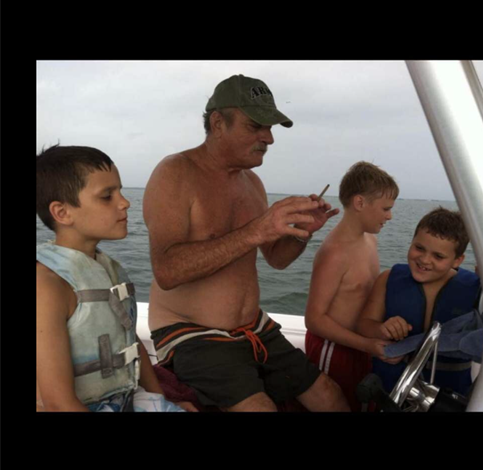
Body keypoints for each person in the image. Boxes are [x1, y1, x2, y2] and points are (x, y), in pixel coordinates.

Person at [144, 73, 351, 412]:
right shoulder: (174, 173)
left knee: (330, 395)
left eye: (270, 128)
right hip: (192, 333)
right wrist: (257, 230)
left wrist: (302, 233)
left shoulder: (252, 183)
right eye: (256, 126)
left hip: (254, 327)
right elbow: (167, 270)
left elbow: (277, 258)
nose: (268, 137)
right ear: (217, 122)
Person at [36, 145, 191, 412]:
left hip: (125, 398)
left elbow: (130, 342)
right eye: (107, 196)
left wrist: (162, 402)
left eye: (119, 190)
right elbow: (59, 403)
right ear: (62, 213)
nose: (125, 202)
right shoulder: (48, 286)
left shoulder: (109, 270)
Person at [305, 161, 401, 411]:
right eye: (385, 209)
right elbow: (314, 319)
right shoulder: (335, 253)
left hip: (360, 346)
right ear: (360, 203)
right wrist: (367, 345)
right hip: (333, 350)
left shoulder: (370, 239)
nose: (390, 216)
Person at [356, 207, 481, 398]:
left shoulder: (476, 289)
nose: (424, 259)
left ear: (458, 260)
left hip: (449, 395)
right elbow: (364, 325)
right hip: (390, 390)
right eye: (419, 248)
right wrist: (382, 328)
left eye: (438, 256)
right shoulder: (388, 278)